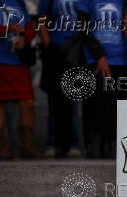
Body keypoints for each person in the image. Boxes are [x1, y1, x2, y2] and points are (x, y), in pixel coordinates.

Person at [38, 0, 108, 158]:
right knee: (54, 100)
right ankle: (53, 144)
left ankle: (74, 144)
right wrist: (50, 47)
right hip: (55, 50)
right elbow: (41, 22)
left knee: (74, 98)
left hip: (76, 50)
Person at [0, 0, 42, 159]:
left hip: (17, 59)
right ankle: (2, 147)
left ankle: (27, 146)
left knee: (28, 102)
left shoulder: (19, 2)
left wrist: (25, 37)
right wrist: (7, 29)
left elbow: (31, 25)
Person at [77, 0, 127, 158]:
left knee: (116, 103)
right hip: (95, 59)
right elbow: (83, 28)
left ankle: (110, 142)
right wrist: (99, 55)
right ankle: (93, 142)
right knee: (96, 101)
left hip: (121, 59)